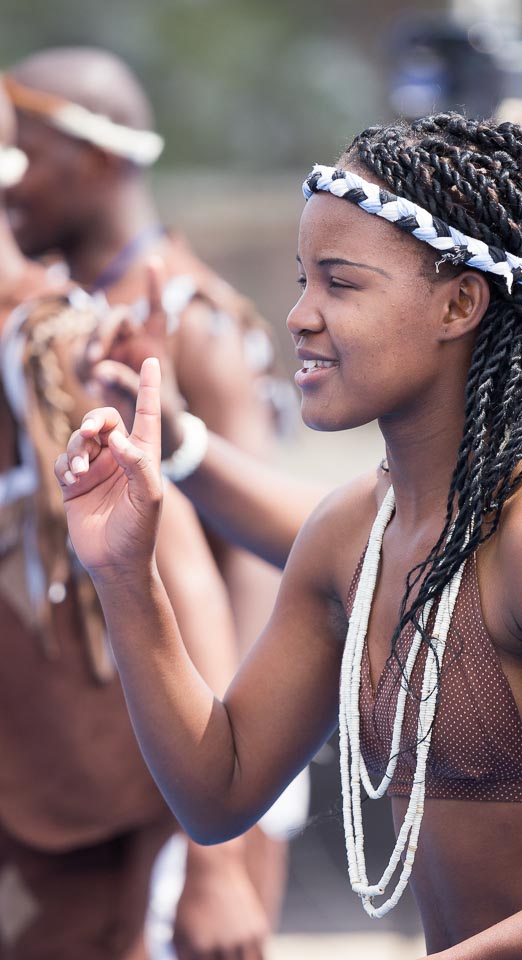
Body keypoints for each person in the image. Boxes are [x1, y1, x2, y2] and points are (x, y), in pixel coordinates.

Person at [57, 114, 522, 959]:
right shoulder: (350, 534)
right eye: (302, 279)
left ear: (458, 303)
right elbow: (217, 792)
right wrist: (123, 575)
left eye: (341, 283)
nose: (299, 316)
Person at [4, 46, 291, 925]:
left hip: (215, 740)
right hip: (117, 747)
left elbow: (254, 567)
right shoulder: (66, 321)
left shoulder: (184, 321)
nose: (15, 186)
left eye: (30, 157)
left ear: (96, 158)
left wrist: (227, 839)